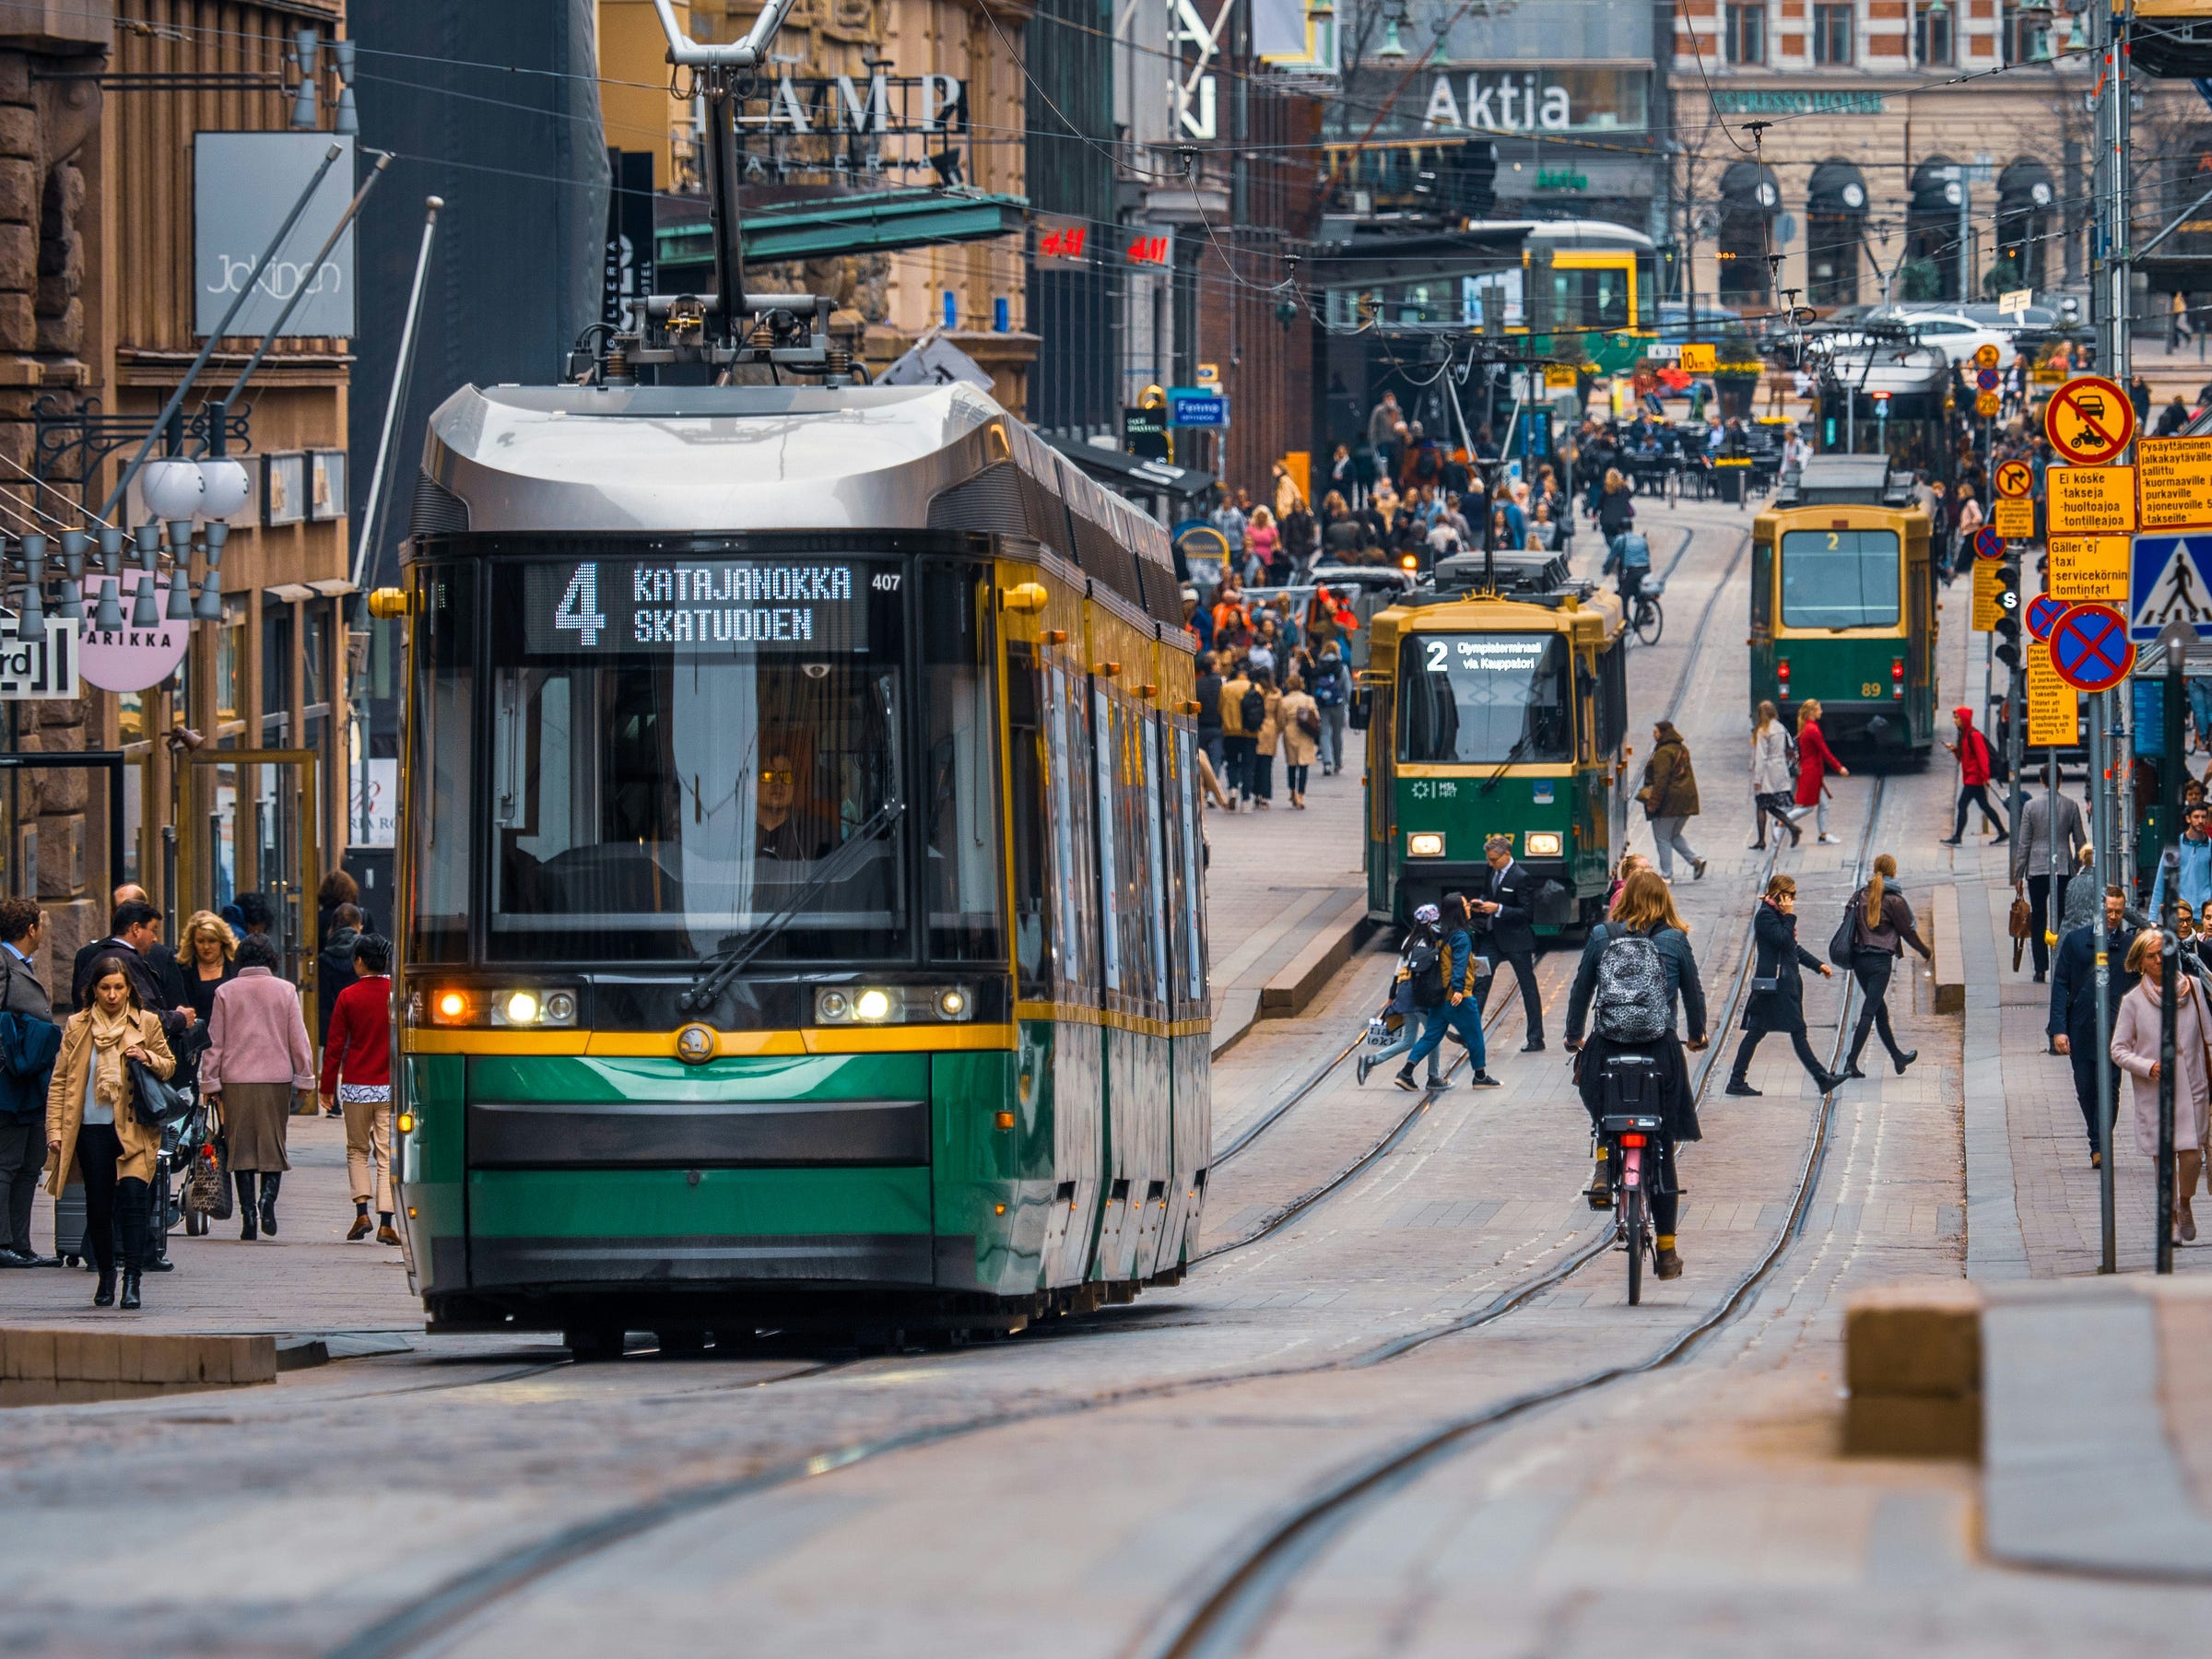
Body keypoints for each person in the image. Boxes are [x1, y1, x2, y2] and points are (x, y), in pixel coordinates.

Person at [1564, 869, 1707, 1280]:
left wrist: (1575, 1035)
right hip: (1659, 1051)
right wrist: (1696, 1034)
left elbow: (1580, 991)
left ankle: (1606, 1161)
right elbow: (1694, 996)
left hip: (1607, 1048)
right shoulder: (1675, 941)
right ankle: (1666, 1251)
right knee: (1661, 1143)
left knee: (1599, 1101)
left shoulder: (1601, 936)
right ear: (1665, 902)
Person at [44, 956, 174, 1309]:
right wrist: (55, 1129)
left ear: (129, 988)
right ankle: (106, 1275)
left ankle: (133, 1280)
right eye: (105, 988)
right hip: (90, 1130)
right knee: (98, 1210)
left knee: (134, 1204)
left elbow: (168, 1066)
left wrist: (146, 1056)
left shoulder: (145, 1022)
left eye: (119, 987)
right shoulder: (77, 1025)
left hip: (134, 1132)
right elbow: (60, 1081)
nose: (113, 995)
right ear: (94, 990)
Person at [200, 934, 315, 1241]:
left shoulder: (225, 992)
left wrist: (209, 1081)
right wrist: (304, 1078)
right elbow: (298, 1038)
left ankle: (248, 1215)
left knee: (241, 1150)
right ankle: (268, 1201)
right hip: (276, 1079)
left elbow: (215, 1042)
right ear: (271, 959)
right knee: (273, 1144)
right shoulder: (286, 991)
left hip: (235, 1080)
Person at [2111, 928, 2210, 1244]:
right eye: (2151, 956)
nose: (2158, 961)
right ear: (2140, 962)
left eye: (2163, 955)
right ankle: (2168, 1218)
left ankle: (2184, 1203)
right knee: (2164, 1160)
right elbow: (2118, 1049)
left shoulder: (2192, 988)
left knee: (2193, 1156)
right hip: (2157, 1093)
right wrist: (2147, 1066)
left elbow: (2209, 1036)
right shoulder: (2133, 1002)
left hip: (2193, 1087)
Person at [1727, 874, 1843, 1097]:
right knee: (1796, 1030)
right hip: (1776, 986)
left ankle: (1736, 1080)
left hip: (1781, 984)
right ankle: (1822, 1078)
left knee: (1756, 1031)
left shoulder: (1776, 915)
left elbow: (1792, 948)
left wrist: (1818, 965)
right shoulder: (1766, 916)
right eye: (1791, 895)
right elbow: (1783, 939)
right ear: (1779, 894)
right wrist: (1790, 917)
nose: (1793, 899)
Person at [2051, 886, 2140, 1166]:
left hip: (2116, 1032)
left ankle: (2101, 1144)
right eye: (2109, 910)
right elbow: (2061, 986)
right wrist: (2058, 1029)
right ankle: (2096, 1137)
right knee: (2087, 1087)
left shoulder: (2129, 947)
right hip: (2082, 1028)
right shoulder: (2076, 942)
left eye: (2118, 911)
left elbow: (2140, 988)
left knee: (2111, 1087)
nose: (2113, 916)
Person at [321, 934, 398, 1245]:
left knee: (356, 1150)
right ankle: (387, 1222)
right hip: (390, 1087)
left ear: (360, 962)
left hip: (355, 1086)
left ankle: (361, 1212)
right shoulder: (396, 994)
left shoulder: (348, 997)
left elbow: (336, 1045)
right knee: (386, 1153)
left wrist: (326, 1088)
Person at [0, 899, 58, 1268]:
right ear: (31, 929)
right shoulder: (3, 962)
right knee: (7, 1162)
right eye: (41, 924)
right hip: (9, 1081)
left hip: (32, 1079)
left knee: (30, 1162)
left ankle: (21, 1244)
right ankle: (3, 1243)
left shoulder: (24, 963)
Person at [1396, 892, 1500, 1090]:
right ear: (1458, 911)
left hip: (1438, 995)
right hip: (1457, 997)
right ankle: (1480, 1076)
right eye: (1465, 906)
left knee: (1431, 1036)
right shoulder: (1460, 936)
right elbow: (1459, 964)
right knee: (1475, 1035)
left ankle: (1406, 1073)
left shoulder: (1438, 933)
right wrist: (1459, 990)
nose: (1469, 908)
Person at [1841, 854, 1932, 1078]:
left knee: (1880, 1011)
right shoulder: (1894, 900)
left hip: (1860, 961)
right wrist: (1924, 950)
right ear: (1894, 871)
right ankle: (1850, 1061)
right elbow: (1907, 931)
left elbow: (1847, 919)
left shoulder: (1861, 894)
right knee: (1869, 1011)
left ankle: (1897, 1057)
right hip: (1880, 962)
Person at [1469, 833, 1546, 1051]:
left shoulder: (1521, 877)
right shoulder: (1490, 871)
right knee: (1480, 983)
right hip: (1492, 938)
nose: (1491, 863)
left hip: (1517, 941)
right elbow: (1487, 891)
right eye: (1489, 859)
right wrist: (1481, 902)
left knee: (1528, 987)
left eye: (1494, 859)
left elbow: (1526, 913)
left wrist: (1499, 909)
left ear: (1507, 854)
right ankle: (1470, 1033)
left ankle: (1536, 1037)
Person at [1359, 904, 1447, 1088]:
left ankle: (1372, 1060)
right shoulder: (1428, 943)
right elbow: (1424, 972)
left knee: (1408, 1040)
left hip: (1404, 992)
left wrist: (1392, 996)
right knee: (1433, 1035)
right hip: (1418, 993)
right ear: (1430, 922)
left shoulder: (1409, 940)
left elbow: (1398, 971)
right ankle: (1433, 1076)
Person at [2011, 787, 2088, 981]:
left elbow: (2024, 842)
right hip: (2062, 867)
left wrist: (2018, 874)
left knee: (2038, 917)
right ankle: (2063, 962)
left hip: (2036, 869)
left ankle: (2040, 968)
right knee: (2064, 917)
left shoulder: (2031, 806)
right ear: (2060, 780)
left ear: (2041, 781)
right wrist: (2077, 865)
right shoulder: (2070, 805)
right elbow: (2080, 840)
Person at [1640, 721, 1707, 881]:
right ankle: (1696, 860)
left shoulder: (1663, 752)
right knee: (1674, 835)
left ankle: (1667, 875)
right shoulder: (1681, 748)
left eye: (1656, 732)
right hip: (1685, 801)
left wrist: (1653, 802)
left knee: (1662, 837)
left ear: (1663, 733)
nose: (1654, 735)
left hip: (1669, 803)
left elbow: (1661, 780)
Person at [1792, 700, 1847, 845]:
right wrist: (1839, 767)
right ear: (1812, 712)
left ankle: (1823, 835)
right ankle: (1782, 821)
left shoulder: (1808, 727)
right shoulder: (1812, 730)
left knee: (1824, 804)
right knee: (1808, 807)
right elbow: (1824, 751)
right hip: (1811, 772)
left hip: (1813, 772)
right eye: (1818, 709)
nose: (1821, 711)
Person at [316, 902, 366, 1062]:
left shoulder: (323, 959)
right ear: (358, 925)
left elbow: (324, 1002)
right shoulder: (364, 951)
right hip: (362, 1022)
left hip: (335, 1025)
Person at [1749, 700, 1799, 850]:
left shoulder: (1763, 731)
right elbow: (1790, 746)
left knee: (1761, 805)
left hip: (1767, 774)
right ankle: (1791, 827)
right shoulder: (1780, 728)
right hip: (1780, 770)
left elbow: (1761, 757)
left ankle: (1761, 840)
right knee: (1769, 805)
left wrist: (1757, 779)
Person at [178, 909, 239, 1029]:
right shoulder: (184, 970)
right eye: (200, 941)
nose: (206, 947)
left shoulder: (235, 967)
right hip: (198, 1038)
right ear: (193, 942)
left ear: (222, 941)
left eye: (212, 941)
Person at [2149, 803, 2212, 914]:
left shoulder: (2210, 846)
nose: (2200, 821)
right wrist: (2153, 917)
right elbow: (2161, 881)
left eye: (2203, 817)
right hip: (2180, 913)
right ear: (2188, 819)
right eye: (2196, 817)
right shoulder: (2175, 846)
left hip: (2203, 915)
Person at [754, 754, 817, 860]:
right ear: (752, 786)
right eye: (768, 775)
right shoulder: (740, 834)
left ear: (793, 789)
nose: (778, 783)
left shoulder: (812, 835)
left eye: (786, 776)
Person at [1276, 674, 1321, 808]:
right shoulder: (1309, 699)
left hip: (1290, 732)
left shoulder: (1284, 701)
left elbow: (1281, 721)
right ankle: (1301, 794)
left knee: (1291, 764)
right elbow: (1316, 717)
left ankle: (1292, 791)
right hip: (1305, 733)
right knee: (1303, 765)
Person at [1311, 640, 1350, 777]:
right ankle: (1338, 763)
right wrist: (1349, 704)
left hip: (1322, 704)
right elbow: (1347, 687)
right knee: (1337, 734)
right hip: (1338, 704)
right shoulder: (1341, 667)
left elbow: (1314, 686)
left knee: (1324, 732)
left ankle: (1327, 762)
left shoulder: (1319, 666)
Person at [1247, 670, 1282, 808]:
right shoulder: (1276, 694)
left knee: (1255, 763)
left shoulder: (1254, 691)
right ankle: (1265, 796)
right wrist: (1278, 730)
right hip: (1270, 728)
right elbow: (1280, 716)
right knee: (1267, 765)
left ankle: (1255, 793)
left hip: (1256, 727)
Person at [1194, 651, 1226, 785]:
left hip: (1201, 725)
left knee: (1203, 758)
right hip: (1217, 725)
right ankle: (1213, 787)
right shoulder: (1221, 683)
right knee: (1216, 758)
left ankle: (1205, 786)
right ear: (1213, 666)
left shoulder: (1197, 684)